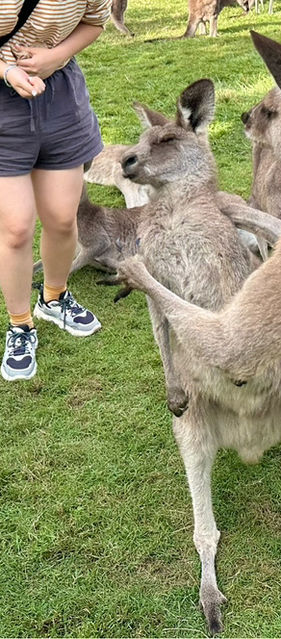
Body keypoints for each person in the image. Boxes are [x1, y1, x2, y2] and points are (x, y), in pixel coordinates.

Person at [0, 0, 110, 381]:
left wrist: (55, 56)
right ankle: (20, 326)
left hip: (60, 98)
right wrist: (8, 69)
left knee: (63, 219)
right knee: (15, 229)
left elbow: (96, 22)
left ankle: (54, 297)